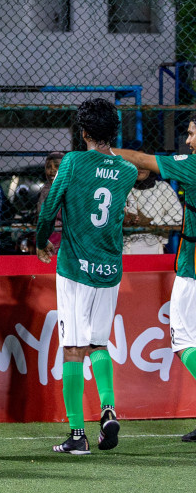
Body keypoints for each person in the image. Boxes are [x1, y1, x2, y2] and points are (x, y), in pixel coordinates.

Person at [34, 98, 138, 456]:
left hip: (76, 268)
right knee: (99, 343)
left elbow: (50, 207)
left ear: (83, 132)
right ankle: (108, 409)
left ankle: (77, 434)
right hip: (109, 269)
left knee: (73, 349)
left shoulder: (74, 161)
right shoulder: (126, 171)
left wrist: (40, 240)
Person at [108, 120, 196, 442]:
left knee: (183, 341)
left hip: (193, 269)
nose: (187, 140)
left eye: (191, 133)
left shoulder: (194, 165)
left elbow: (145, 161)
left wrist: (107, 150)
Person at [122, 163, 181, 254]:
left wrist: (152, 223)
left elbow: (178, 216)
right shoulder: (123, 188)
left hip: (154, 247)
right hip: (125, 247)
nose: (140, 168)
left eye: (144, 164)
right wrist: (124, 219)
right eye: (136, 164)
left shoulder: (162, 188)